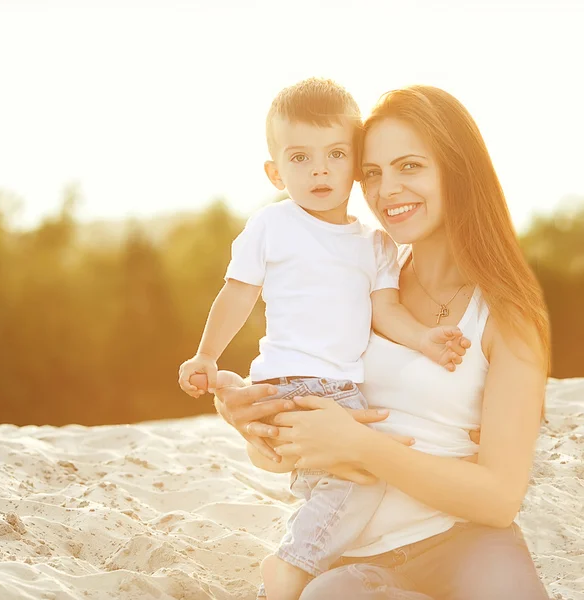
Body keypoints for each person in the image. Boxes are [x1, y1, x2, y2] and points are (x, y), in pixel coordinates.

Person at [212, 85, 551, 599]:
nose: (387, 188)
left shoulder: (508, 315)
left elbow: (499, 499)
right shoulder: (360, 280)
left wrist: (362, 445)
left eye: (409, 166)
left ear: (456, 170)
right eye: (372, 172)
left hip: (467, 543)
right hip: (351, 558)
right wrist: (255, 422)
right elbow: (285, 456)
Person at [178, 78, 470, 600]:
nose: (320, 170)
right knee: (364, 478)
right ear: (275, 171)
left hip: (340, 389)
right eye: (300, 157)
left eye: (336, 154)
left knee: (332, 481)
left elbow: (387, 310)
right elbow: (238, 294)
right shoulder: (272, 224)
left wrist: (424, 339)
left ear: (355, 166)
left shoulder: (373, 243)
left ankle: (309, 565)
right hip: (292, 382)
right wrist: (206, 354)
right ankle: (291, 567)